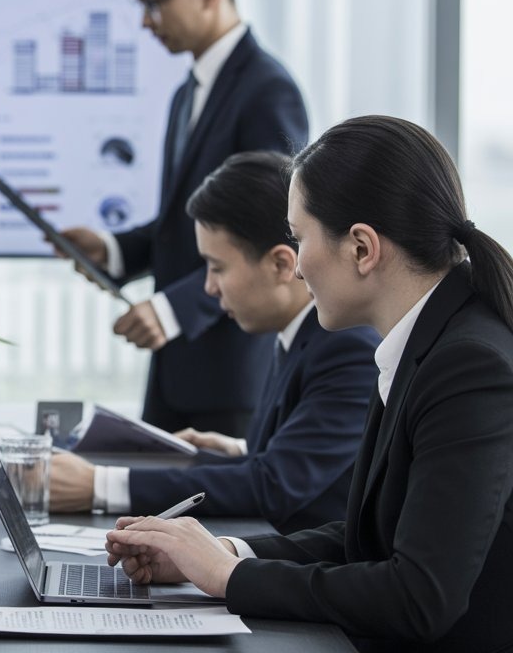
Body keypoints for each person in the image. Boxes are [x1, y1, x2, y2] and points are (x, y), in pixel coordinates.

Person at [106, 116, 513, 652]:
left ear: (362, 249)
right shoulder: (424, 338)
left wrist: (227, 579)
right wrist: (223, 553)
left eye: (299, 239)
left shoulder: (466, 365)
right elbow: (367, 538)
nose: (296, 268)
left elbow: (419, 596)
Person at [58, 0, 309, 437]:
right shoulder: (185, 94)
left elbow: (273, 230)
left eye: (154, 2)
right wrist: (114, 249)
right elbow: (192, 223)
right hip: (175, 372)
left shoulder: (268, 89)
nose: (146, 20)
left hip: (230, 375)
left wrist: (172, 310)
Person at [50, 151, 377, 533]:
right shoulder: (300, 336)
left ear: (282, 265)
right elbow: (300, 464)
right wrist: (240, 451)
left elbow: (273, 485)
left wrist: (98, 486)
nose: (208, 287)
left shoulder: (349, 349)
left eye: (217, 267)